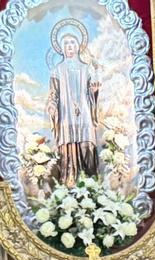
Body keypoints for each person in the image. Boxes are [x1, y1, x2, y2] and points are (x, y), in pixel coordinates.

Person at [47, 29, 100, 186]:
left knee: (87, 143)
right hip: (66, 113)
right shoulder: (57, 70)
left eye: (72, 43)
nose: (69, 46)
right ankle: (70, 182)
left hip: (84, 111)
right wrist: (52, 105)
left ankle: (91, 183)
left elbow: (92, 91)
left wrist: (94, 93)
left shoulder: (87, 68)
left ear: (78, 46)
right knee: (69, 146)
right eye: (66, 43)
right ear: (62, 48)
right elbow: (53, 94)